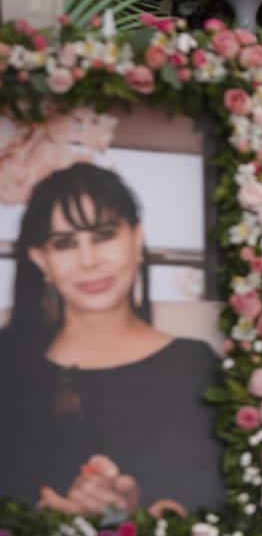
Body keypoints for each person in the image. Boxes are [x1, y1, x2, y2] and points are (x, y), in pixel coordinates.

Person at [0, 163, 223, 515]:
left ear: (136, 239)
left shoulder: (195, 366)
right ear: (40, 259)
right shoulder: (7, 364)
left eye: (103, 235)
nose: (88, 261)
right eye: (65, 243)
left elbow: (218, 502)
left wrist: (133, 514)